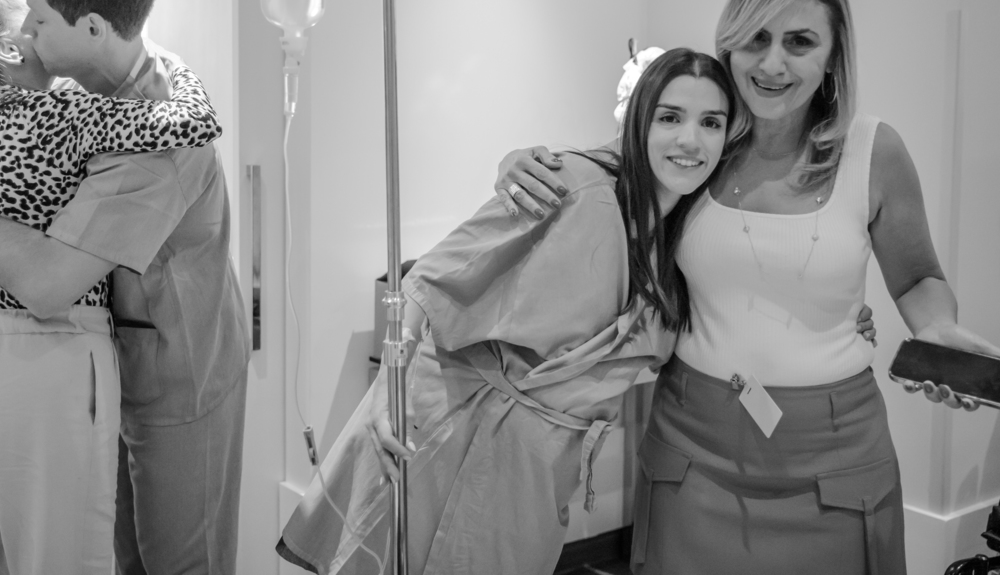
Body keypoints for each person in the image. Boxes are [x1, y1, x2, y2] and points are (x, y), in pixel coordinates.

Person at [496, 0, 1000, 575]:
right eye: (756, 38)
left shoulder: (874, 151)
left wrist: (937, 329)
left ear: (833, 56)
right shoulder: (697, 140)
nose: (772, 63)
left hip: (836, 456)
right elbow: (590, 171)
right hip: (693, 447)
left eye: (799, 41)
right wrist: (516, 161)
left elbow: (919, 276)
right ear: (730, 44)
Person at [280, 48, 737, 575]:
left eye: (711, 122)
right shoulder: (573, 184)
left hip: (535, 470)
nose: (690, 140)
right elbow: (431, 275)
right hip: (443, 429)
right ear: (639, 120)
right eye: (670, 117)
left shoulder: (687, 242)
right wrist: (389, 388)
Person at [0, 0, 251, 575]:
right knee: (120, 556)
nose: (28, 30)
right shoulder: (81, 90)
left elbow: (47, 284)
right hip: (109, 365)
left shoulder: (157, 138)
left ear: (95, 28)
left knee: (176, 562)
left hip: (178, 374)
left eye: (40, 18)